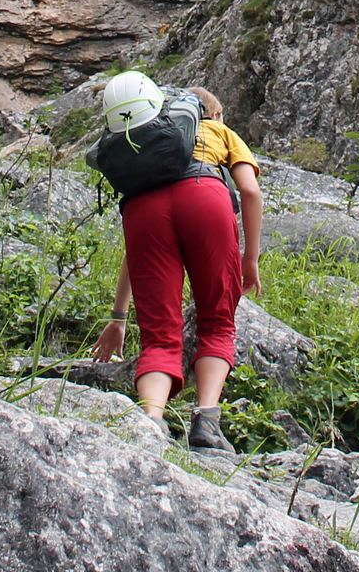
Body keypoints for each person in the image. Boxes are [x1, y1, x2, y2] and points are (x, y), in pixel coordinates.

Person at [87, 74, 264, 452]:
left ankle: (151, 421)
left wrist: (118, 318)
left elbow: (134, 256)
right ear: (215, 113)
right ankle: (207, 420)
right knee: (216, 320)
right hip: (205, 197)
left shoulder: (144, 146)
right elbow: (249, 190)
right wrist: (250, 260)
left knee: (158, 333)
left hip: (142, 210)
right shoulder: (219, 132)